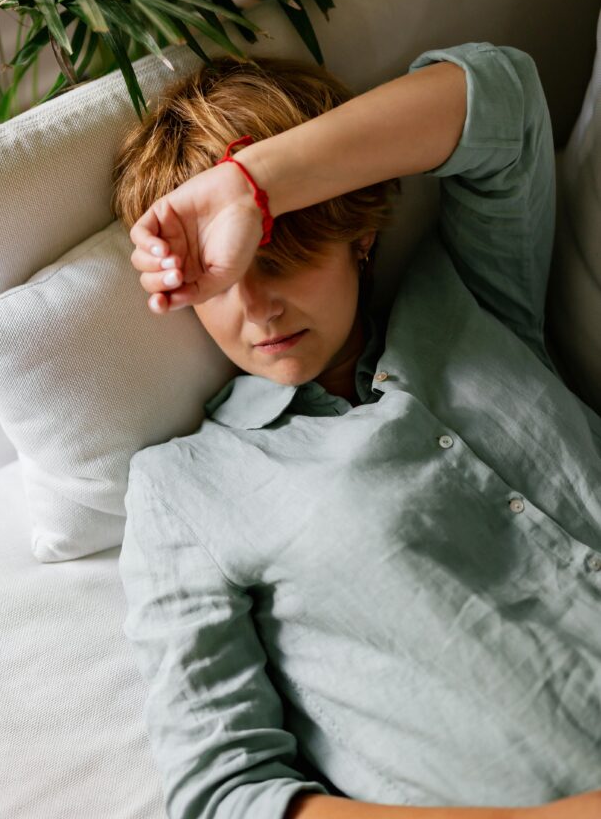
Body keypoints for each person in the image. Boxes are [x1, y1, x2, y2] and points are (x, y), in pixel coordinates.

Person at [111, 43, 601, 819]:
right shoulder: (188, 487)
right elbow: (222, 796)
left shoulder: (471, 297)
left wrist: (251, 189)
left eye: (283, 257)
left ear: (359, 233)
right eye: (215, 280)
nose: (257, 309)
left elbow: (500, 98)